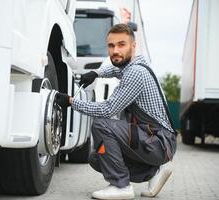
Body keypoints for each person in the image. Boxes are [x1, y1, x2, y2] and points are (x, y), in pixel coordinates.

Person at [55, 23, 177, 200]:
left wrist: (72, 102)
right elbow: (115, 68)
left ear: (133, 46)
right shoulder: (135, 64)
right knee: (97, 158)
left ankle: (121, 186)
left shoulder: (136, 73)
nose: (115, 50)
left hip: (158, 142)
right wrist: (96, 73)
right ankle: (152, 172)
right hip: (155, 140)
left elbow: (108, 109)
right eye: (111, 46)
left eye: (121, 44)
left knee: (102, 125)